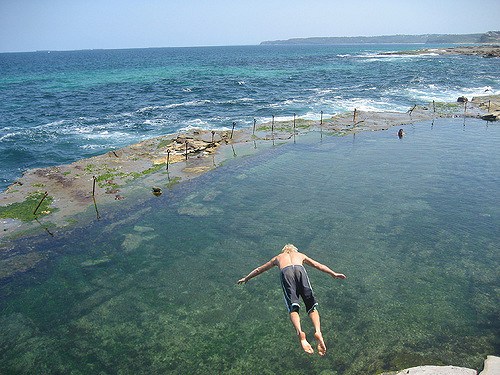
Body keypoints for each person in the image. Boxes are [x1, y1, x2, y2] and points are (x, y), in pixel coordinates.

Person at [237, 244, 346, 356]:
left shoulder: (278, 258)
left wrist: (246, 278)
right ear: (294, 250)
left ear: (284, 251)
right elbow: (318, 265)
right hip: (300, 270)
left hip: (286, 273)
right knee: (312, 307)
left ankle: (300, 334)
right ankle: (318, 331)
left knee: (293, 308)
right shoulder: (300, 255)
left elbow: (259, 269)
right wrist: (333, 273)